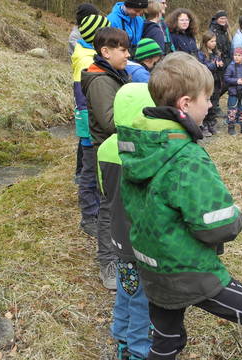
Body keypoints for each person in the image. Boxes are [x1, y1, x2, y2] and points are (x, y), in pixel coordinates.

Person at [116, 52, 242, 360]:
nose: (212, 105)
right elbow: (217, 226)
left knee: (166, 340)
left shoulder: (138, 146)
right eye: (208, 98)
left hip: (151, 267)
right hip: (187, 271)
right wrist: (237, 216)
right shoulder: (186, 156)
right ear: (186, 104)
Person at [98, 82, 155, 360]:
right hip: (142, 242)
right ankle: (138, 350)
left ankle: (120, 335)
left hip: (118, 236)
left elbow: (104, 191)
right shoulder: (148, 149)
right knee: (143, 300)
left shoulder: (106, 148)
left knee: (125, 288)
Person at [81, 27, 131, 290]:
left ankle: (122, 253)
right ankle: (107, 262)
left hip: (116, 150)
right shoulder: (101, 80)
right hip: (107, 152)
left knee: (119, 205)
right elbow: (110, 121)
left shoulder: (114, 74)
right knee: (109, 208)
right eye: (122, 50)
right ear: (106, 51)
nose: (127, 54)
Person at [72, 14, 111, 238]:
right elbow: (82, 97)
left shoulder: (88, 53)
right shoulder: (86, 59)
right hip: (89, 124)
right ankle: (89, 215)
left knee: (93, 168)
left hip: (91, 122)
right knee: (89, 171)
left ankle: (95, 210)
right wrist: (90, 126)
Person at [197, 31, 224, 136]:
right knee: (205, 105)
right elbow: (203, 67)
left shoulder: (216, 53)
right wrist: (214, 65)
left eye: (215, 41)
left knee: (213, 105)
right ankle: (204, 126)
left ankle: (212, 125)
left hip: (216, 82)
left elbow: (219, 66)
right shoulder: (201, 54)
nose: (214, 43)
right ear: (205, 41)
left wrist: (220, 65)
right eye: (211, 41)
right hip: (206, 83)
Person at [224, 47, 242, 135]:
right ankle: (231, 128)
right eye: (235, 55)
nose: (236, 57)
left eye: (239, 55)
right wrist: (236, 81)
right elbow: (226, 77)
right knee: (232, 110)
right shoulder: (230, 67)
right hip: (233, 92)